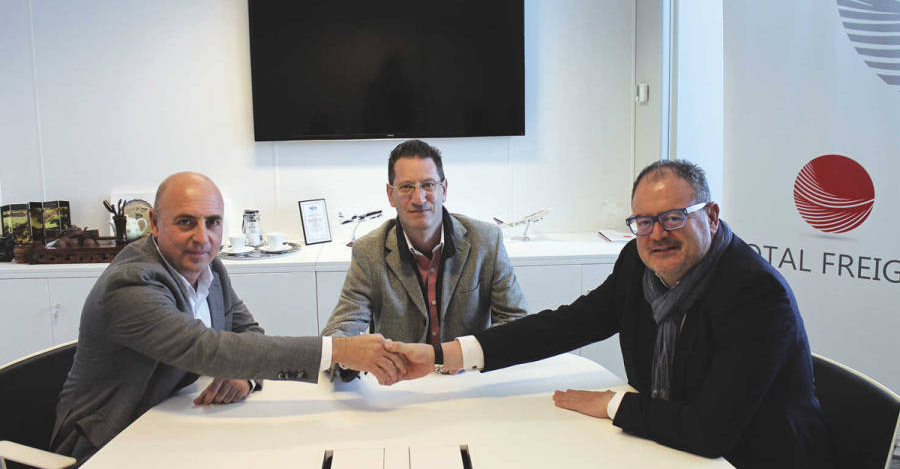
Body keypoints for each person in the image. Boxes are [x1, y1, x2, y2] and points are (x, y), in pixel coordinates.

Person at [388, 160, 831, 468]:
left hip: (745, 459)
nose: (656, 234)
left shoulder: (754, 294)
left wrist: (613, 404)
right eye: (643, 221)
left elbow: (709, 431)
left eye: (674, 217)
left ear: (711, 216)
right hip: (668, 445)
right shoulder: (638, 263)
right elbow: (566, 324)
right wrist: (443, 354)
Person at [51, 172, 406, 466]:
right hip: (107, 445)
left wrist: (246, 378)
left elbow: (248, 332)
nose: (202, 237)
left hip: (174, 428)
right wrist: (340, 350)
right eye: (186, 222)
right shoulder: (130, 284)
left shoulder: (210, 268)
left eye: (213, 223)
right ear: (155, 224)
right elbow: (204, 348)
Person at [321, 140, 527, 378]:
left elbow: (517, 321)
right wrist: (349, 361)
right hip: (400, 387)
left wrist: (466, 355)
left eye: (428, 185)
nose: (419, 198)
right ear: (391, 194)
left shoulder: (486, 241)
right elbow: (339, 330)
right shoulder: (369, 251)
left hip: (469, 382)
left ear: (444, 189)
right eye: (406, 187)